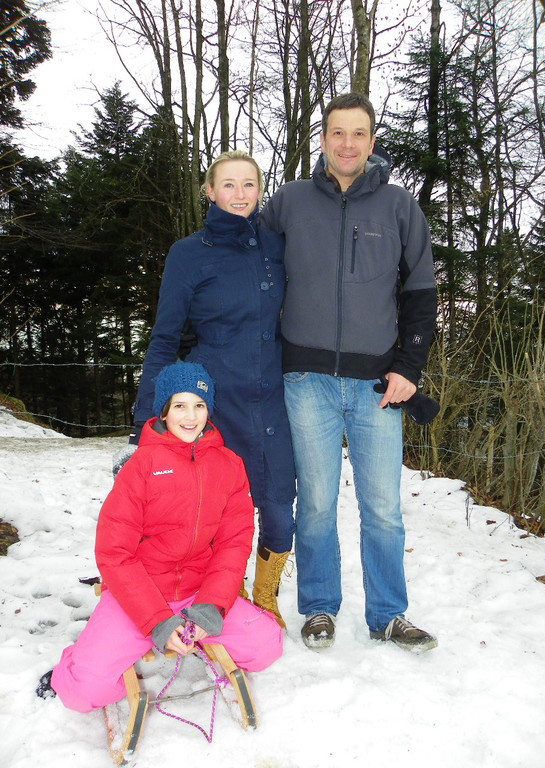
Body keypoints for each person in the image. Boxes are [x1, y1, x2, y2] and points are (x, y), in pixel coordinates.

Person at [260, 92, 438, 652]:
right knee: (315, 503)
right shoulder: (288, 202)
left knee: (382, 507)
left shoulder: (399, 206)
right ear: (323, 139)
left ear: (372, 140)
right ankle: (318, 608)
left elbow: (421, 292)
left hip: (377, 386)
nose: (347, 144)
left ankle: (388, 614)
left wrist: (410, 367)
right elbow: (253, 273)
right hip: (305, 381)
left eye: (358, 133)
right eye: (337, 132)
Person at [37, 361, 283, 710]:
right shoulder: (141, 466)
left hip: (198, 591)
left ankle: (196, 630)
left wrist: (211, 605)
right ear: (164, 412)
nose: (190, 416)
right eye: (179, 405)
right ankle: (76, 662)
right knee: (84, 692)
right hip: (139, 596)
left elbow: (234, 542)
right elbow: (114, 552)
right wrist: (156, 620)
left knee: (267, 647)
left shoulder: (229, 465)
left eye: (199, 405)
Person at [127, 151, 296, 627]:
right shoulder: (188, 253)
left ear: (260, 189)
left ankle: (266, 595)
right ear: (209, 191)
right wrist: (147, 418)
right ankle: (227, 594)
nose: (239, 195)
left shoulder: (277, 245)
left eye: (249, 184)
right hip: (216, 405)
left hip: (274, 398)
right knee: (219, 511)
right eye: (228, 185)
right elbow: (166, 337)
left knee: (279, 503)